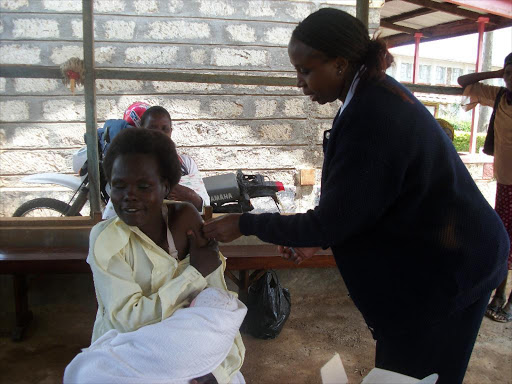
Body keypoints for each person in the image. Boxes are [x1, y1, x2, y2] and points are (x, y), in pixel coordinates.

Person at [203, 8, 509, 384]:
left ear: (340, 63)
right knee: (408, 369)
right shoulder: (369, 97)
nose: (299, 83)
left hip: (450, 268)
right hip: (441, 256)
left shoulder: (373, 116)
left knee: (415, 375)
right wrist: (319, 237)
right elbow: (359, 204)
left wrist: (245, 223)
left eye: (306, 70)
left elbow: (332, 220)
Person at [88, 128, 245, 383]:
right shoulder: (107, 241)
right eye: (119, 185)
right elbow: (128, 322)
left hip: (192, 347)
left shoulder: (186, 220)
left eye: (143, 185)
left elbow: (219, 307)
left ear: (166, 187)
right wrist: (193, 274)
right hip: (129, 355)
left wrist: (216, 369)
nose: (129, 195)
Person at [64, 288, 247, 384]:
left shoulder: (182, 328)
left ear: (192, 307)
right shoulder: (223, 337)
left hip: (99, 373)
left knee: (94, 371)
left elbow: (148, 340)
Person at [458, 53, 512, 323]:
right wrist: (498, 73)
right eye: (510, 74)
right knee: (504, 237)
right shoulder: (500, 95)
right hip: (506, 180)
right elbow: (463, 81)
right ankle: (499, 295)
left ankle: (509, 302)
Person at [102, 103, 210, 219]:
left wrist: (189, 195)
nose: (160, 134)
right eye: (152, 128)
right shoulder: (129, 164)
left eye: (165, 129)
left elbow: (205, 206)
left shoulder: (186, 164)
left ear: (171, 131)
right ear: (141, 130)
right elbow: (113, 214)